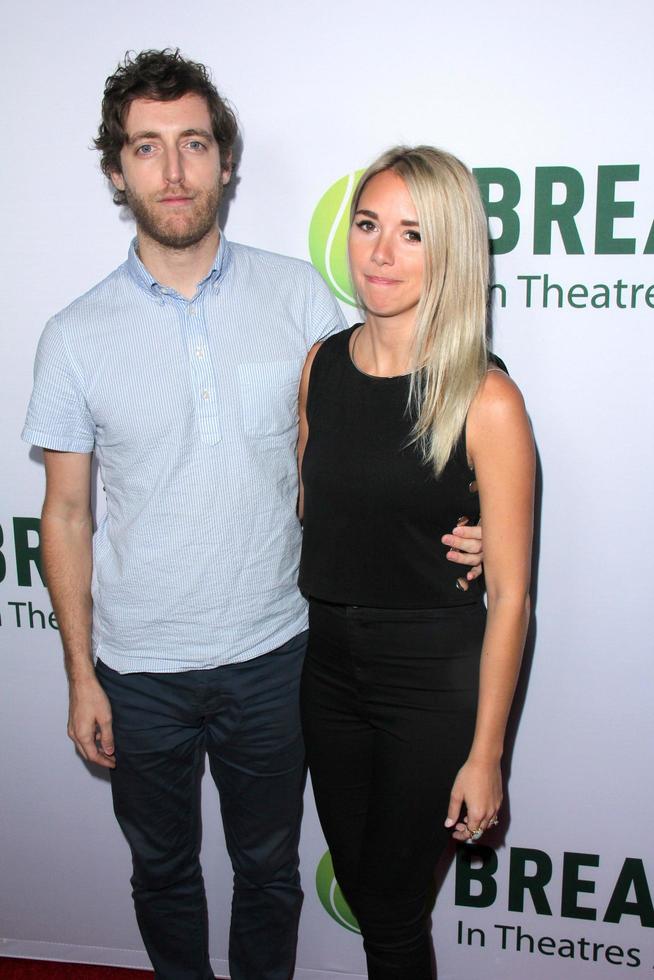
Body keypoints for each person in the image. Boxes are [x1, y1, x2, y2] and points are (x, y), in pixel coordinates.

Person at [21, 53, 485, 980]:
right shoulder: (74, 336)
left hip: (277, 656)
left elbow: (386, 442)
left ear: (226, 160)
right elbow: (65, 517)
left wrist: (468, 527)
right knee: (161, 874)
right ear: (117, 170)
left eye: (194, 143)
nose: (175, 171)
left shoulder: (303, 299)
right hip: (140, 667)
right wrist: (80, 674)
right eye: (147, 149)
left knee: (270, 873)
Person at [298, 146, 535, 979]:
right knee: (369, 896)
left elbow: (510, 598)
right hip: (324, 667)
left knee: (395, 916)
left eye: (411, 234)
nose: (380, 253)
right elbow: (317, 510)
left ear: (452, 252)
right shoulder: (320, 367)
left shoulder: (485, 396)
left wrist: (486, 755)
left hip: (430, 677)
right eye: (368, 226)